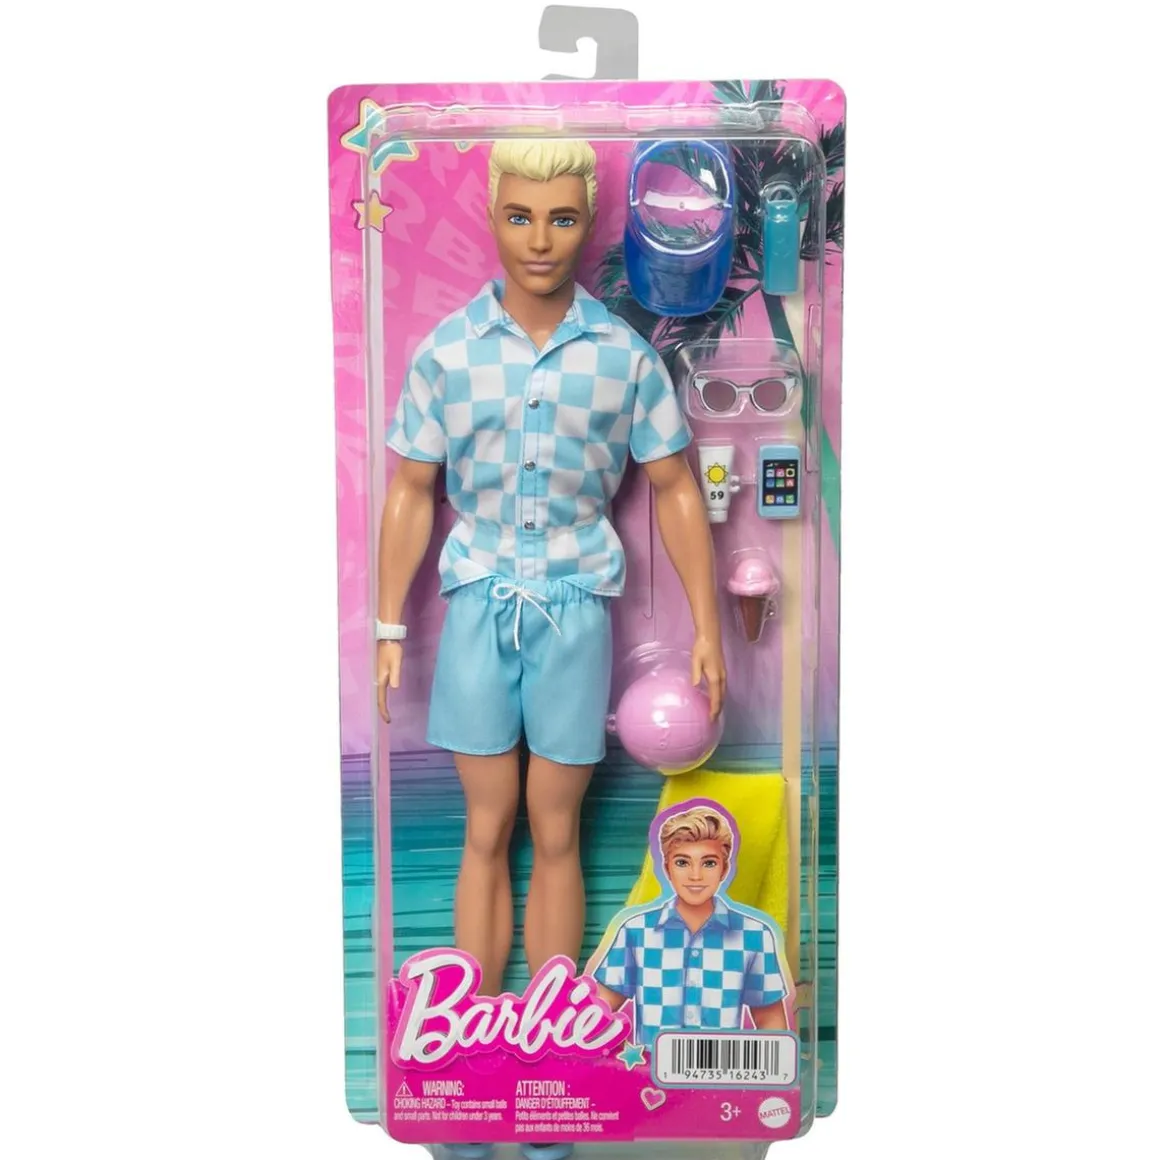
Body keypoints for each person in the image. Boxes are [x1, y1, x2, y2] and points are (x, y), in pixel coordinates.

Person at [375, 138, 727, 1004]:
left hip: (576, 606)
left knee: (557, 824)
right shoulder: (447, 353)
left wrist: (708, 627)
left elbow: (675, 487)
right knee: (486, 822)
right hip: (477, 601)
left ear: (589, 222)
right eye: (520, 216)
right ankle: (471, 1020)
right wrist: (388, 625)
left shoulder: (623, 357)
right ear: (493, 216)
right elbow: (411, 489)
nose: (540, 240)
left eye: (562, 219)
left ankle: (553, 1023)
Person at [588, 806, 789, 1051]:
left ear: (724, 869)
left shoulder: (754, 934)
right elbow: (597, 1014)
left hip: (723, 1070)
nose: (695, 875)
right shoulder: (636, 931)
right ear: (667, 869)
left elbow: (771, 1022)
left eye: (709, 863)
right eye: (682, 862)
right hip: (649, 1071)